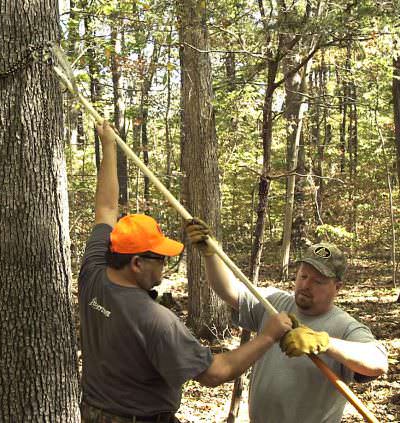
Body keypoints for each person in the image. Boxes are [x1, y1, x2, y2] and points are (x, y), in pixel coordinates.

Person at [78, 121, 293, 423]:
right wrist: (268, 335)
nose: (165, 264)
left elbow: (105, 209)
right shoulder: (155, 321)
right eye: (160, 258)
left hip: (92, 414)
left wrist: (109, 145)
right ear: (137, 263)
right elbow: (215, 373)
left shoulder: (94, 274)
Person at [186, 222, 388, 423]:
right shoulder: (275, 303)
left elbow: (378, 362)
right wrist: (211, 255)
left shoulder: (344, 326)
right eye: (303, 276)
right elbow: (229, 290)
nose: (306, 285)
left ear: (337, 287)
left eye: (318, 281)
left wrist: (323, 342)